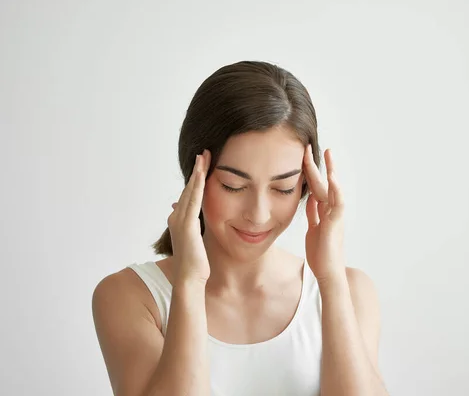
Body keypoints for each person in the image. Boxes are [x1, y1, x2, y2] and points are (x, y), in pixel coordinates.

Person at [92, 61, 388, 396]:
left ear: (307, 185)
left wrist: (331, 282)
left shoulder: (352, 291)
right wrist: (190, 283)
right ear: (194, 176)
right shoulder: (131, 297)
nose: (258, 215)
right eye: (234, 186)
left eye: (283, 188)